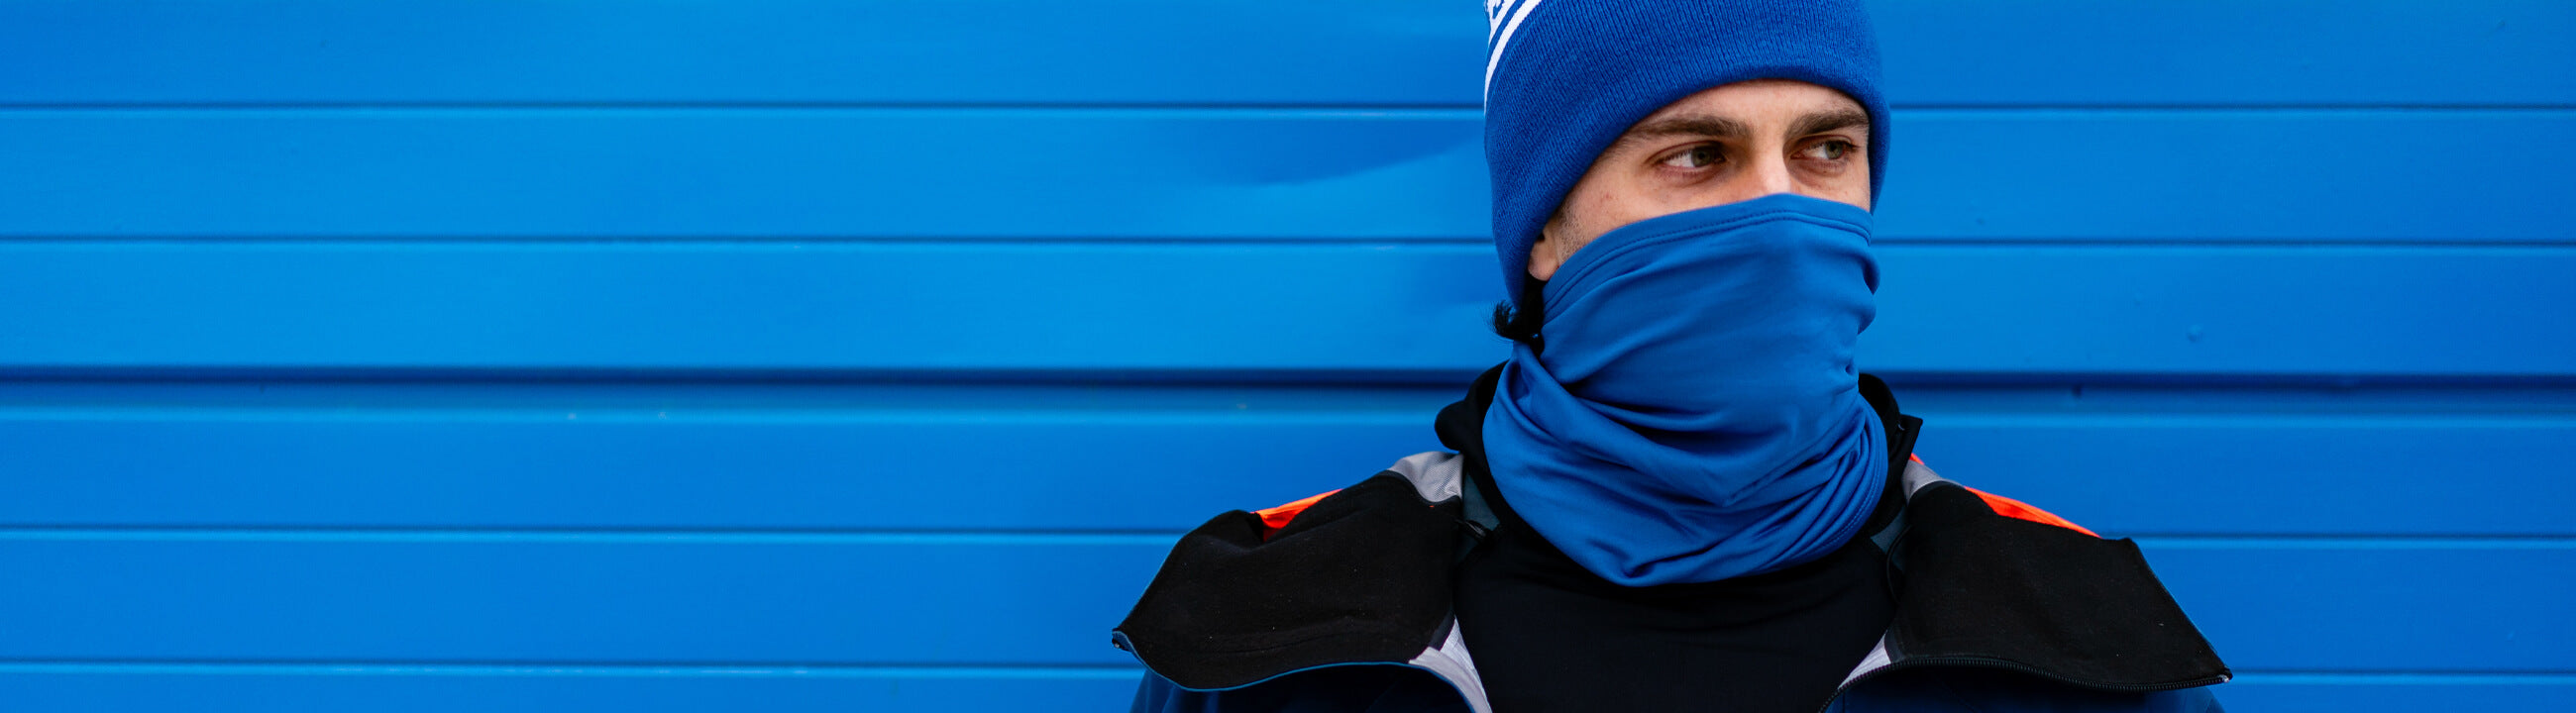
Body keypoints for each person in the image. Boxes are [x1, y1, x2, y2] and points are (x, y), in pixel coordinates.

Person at [1114, 2, 2230, 711]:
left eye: (1825, 149)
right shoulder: (1269, 633)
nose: (1780, 219)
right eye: (1697, 155)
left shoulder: (2081, 635)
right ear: (1543, 228)